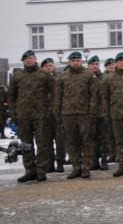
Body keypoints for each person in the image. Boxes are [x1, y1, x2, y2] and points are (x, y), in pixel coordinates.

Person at [8, 50, 55, 182]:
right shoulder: (17, 76)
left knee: (42, 143)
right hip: (23, 115)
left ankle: (41, 170)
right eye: (26, 59)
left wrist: (50, 110)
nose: (28, 60)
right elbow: (11, 97)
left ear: (35, 59)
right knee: (26, 144)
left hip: (41, 115)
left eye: (30, 58)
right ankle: (30, 170)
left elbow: (54, 92)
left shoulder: (44, 74)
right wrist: (13, 113)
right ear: (23, 61)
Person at [54, 52, 98, 179]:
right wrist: (57, 112)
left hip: (84, 114)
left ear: (81, 61)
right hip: (67, 114)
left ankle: (86, 167)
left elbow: (94, 95)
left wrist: (92, 112)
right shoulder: (63, 77)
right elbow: (58, 95)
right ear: (69, 62)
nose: (76, 63)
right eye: (73, 61)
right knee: (71, 142)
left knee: (86, 141)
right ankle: (75, 167)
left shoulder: (89, 75)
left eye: (78, 60)